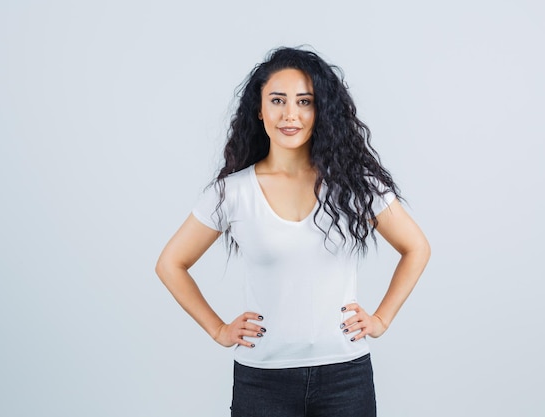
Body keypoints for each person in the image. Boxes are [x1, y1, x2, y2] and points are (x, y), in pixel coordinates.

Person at [155, 46, 430, 417]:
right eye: (278, 100)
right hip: (262, 380)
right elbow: (171, 263)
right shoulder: (233, 192)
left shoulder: (355, 185)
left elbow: (416, 247)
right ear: (260, 109)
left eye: (304, 102)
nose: (290, 115)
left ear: (320, 112)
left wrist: (381, 319)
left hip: (345, 377)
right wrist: (218, 329)